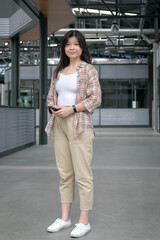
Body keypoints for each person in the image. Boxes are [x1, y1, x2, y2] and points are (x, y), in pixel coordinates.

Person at [45, 30, 101, 238]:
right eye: (68, 44)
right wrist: (53, 107)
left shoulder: (88, 70)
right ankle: (65, 218)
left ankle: (84, 221)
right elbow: (51, 96)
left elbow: (95, 99)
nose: (71, 47)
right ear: (64, 47)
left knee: (83, 175)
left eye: (76, 44)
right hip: (59, 124)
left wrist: (72, 108)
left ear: (82, 47)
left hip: (79, 124)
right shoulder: (58, 71)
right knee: (65, 174)